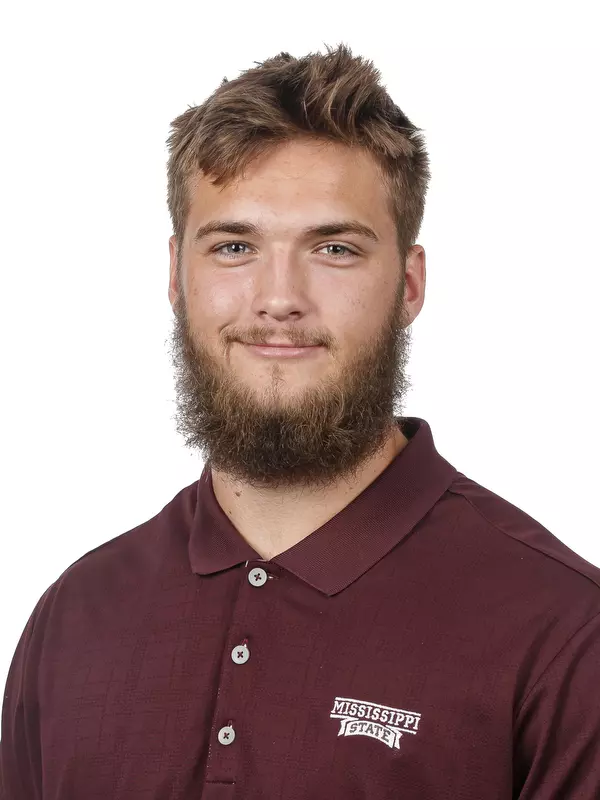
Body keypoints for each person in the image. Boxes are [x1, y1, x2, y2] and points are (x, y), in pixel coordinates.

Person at [1, 43, 599, 800]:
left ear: (410, 285)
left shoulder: (564, 633)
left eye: (335, 248)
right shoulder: (75, 616)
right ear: (176, 276)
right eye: (235, 247)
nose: (279, 298)